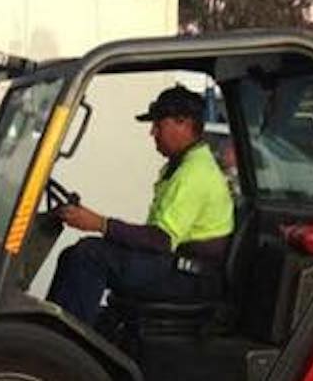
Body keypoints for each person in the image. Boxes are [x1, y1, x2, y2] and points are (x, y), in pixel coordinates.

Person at [46, 85, 234, 326]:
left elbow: (160, 241)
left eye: (159, 125)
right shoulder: (181, 165)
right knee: (73, 254)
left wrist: (100, 224)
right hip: (177, 266)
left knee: (88, 255)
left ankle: (65, 344)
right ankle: (53, 331)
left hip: (190, 277)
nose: (152, 133)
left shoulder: (194, 173)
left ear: (184, 123)